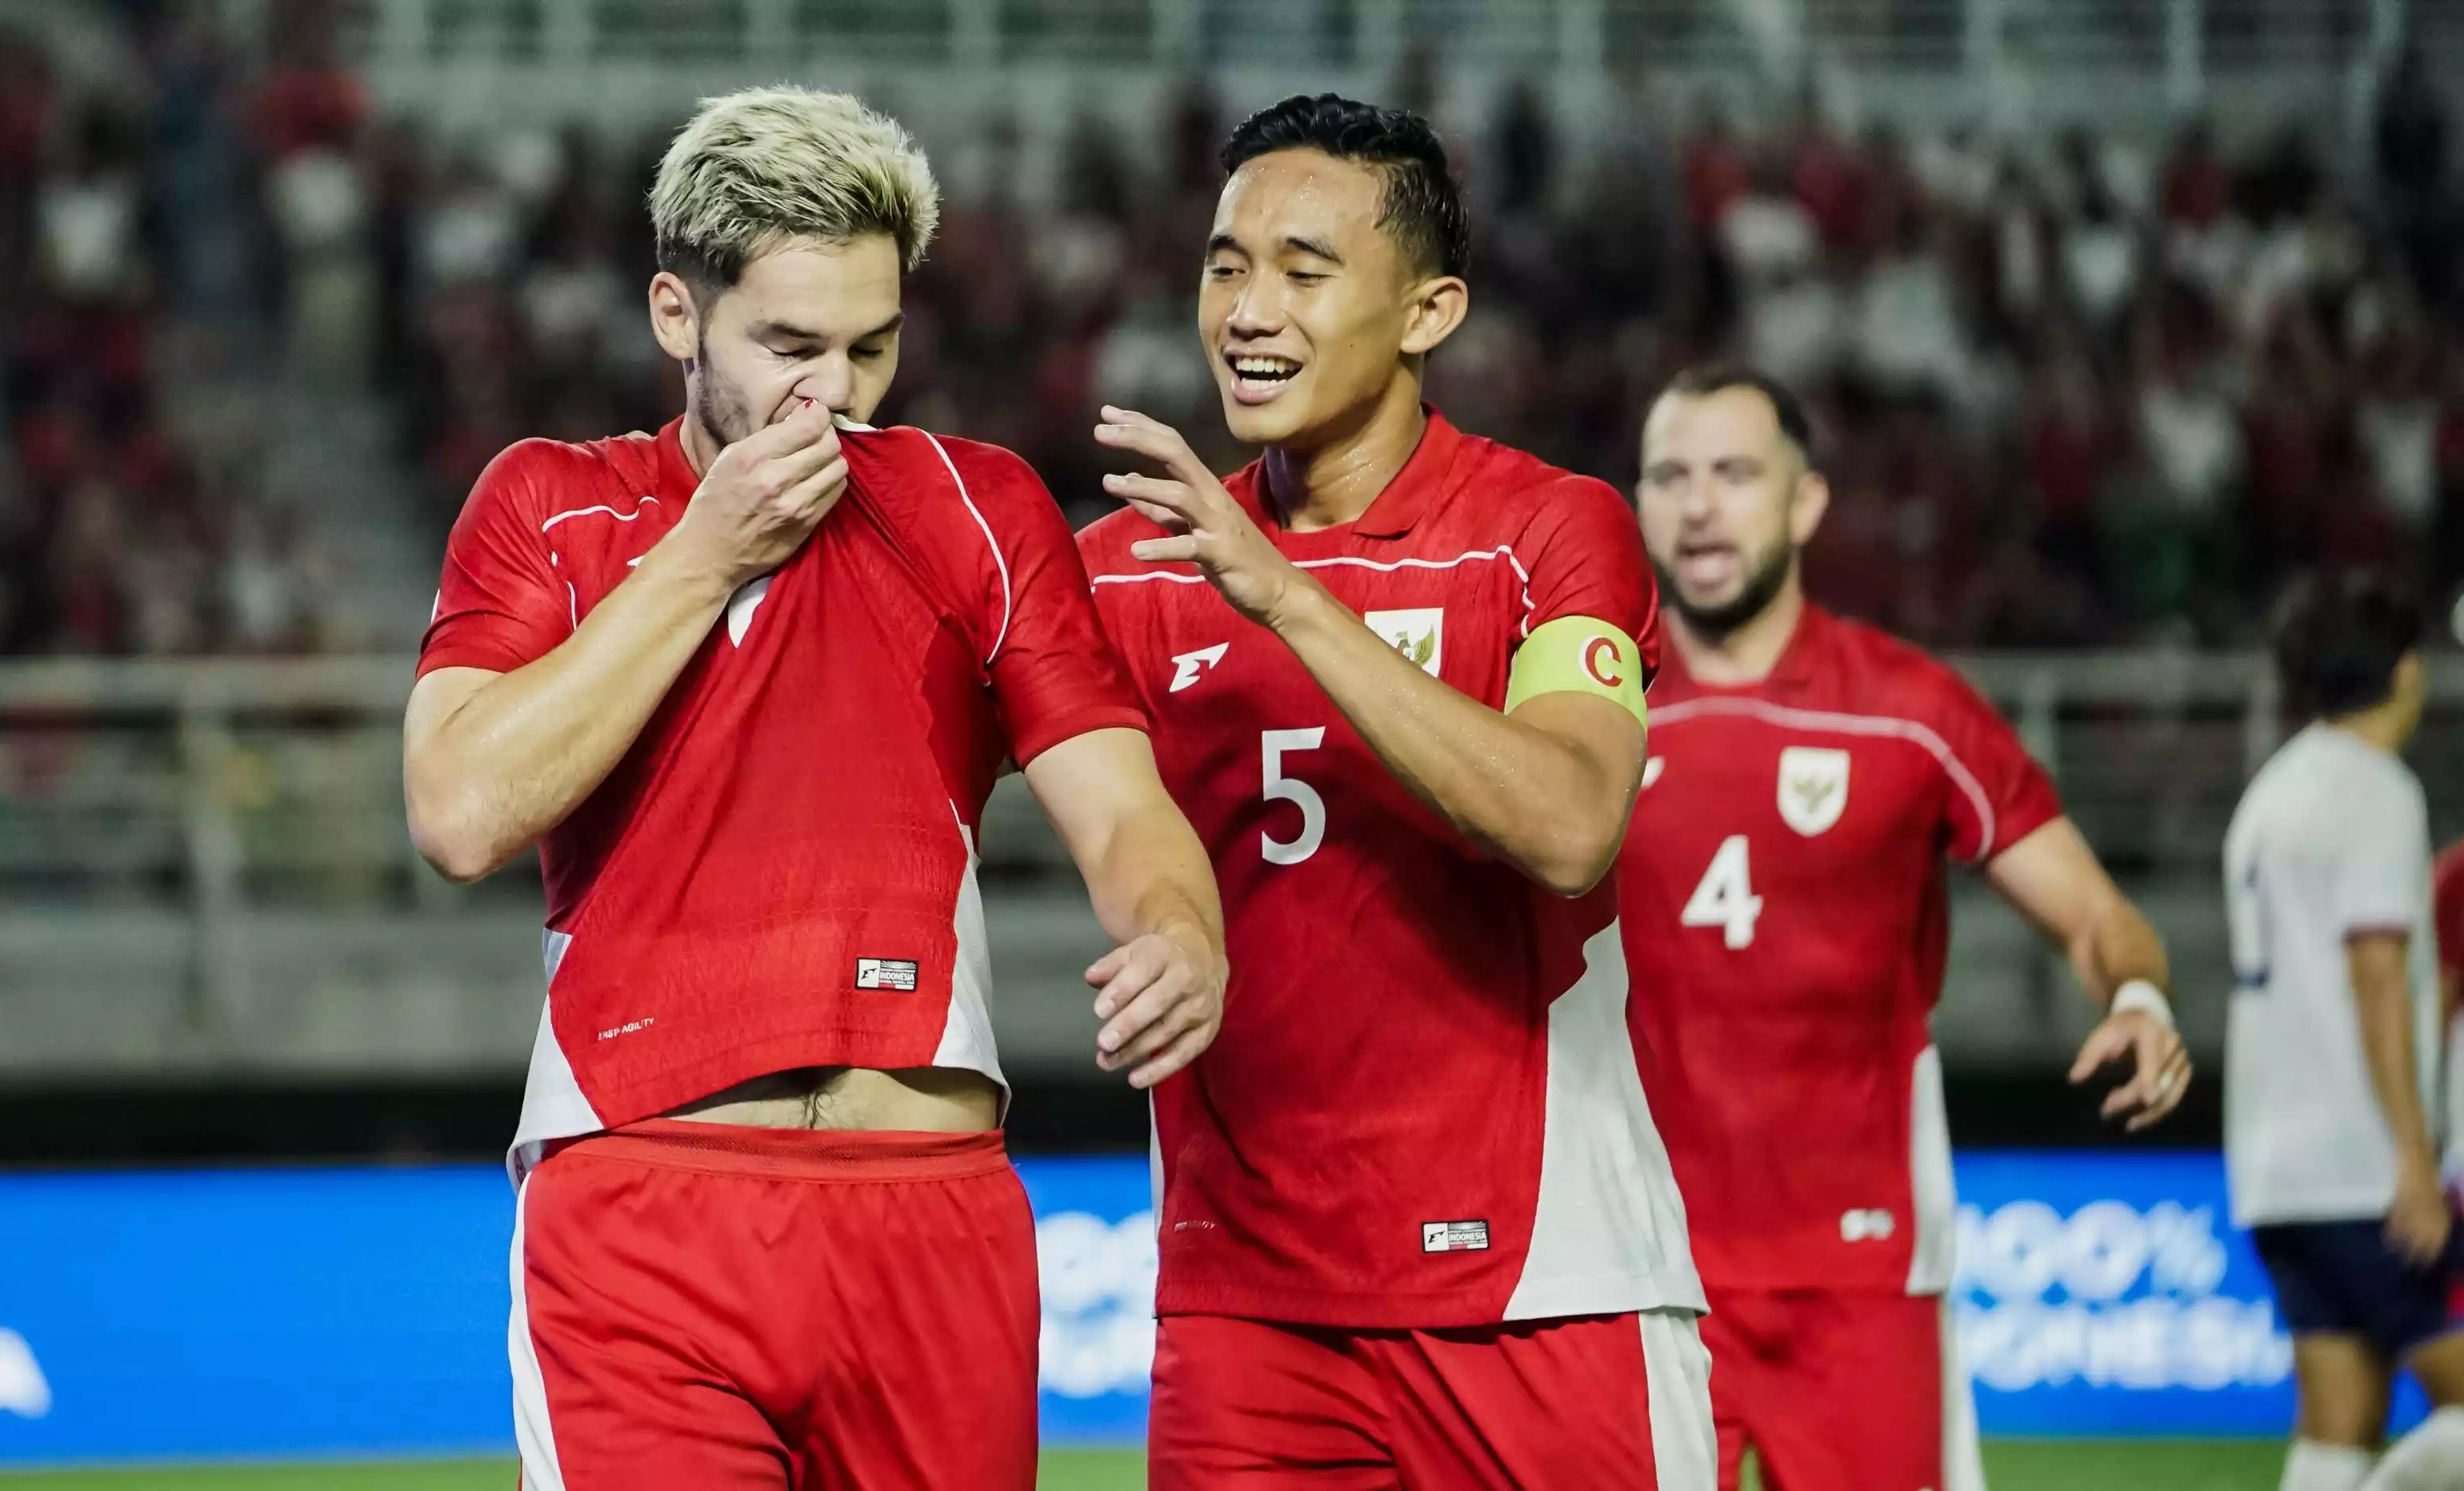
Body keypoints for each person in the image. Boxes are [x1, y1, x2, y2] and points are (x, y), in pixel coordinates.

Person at [401, 88, 1226, 1491]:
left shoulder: (980, 504)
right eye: (787, 345)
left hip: (932, 1214)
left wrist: (1178, 926)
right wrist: (702, 560)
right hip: (642, 1211)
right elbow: (460, 812)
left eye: (870, 345)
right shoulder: (548, 502)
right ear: (677, 315)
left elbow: (1121, 802)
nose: (832, 393)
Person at [1078, 94, 1713, 1488]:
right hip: (1241, 1310)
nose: (1248, 309)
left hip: (1545, 1286)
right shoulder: (1125, 570)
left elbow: (1565, 822)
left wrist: (1283, 597)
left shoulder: (1548, 530)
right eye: (1224, 264)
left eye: (1303, 270)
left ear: (1428, 311)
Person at [1619, 364, 2192, 1491]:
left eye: (1735, 474)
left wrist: (2138, 999)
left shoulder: (1910, 713)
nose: (1698, 505)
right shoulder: (1584, 714)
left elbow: (2096, 916)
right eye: (1669, 476)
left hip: (1860, 1269)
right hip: (1635, 1267)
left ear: (1807, 503)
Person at [2226, 574, 2464, 1491]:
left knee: (2338, 1425)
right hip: (2355, 1166)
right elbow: (2377, 983)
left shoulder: (2270, 795)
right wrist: (2412, 1155)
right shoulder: (2374, 791)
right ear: (2402, 673)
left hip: (2272, 1170)